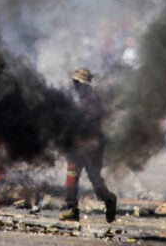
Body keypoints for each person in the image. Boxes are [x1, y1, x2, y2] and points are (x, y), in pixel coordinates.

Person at [59, 68, 117, 223]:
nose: (75, 85)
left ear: (83, 83)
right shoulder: (80, 98)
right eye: (74, 82)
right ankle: (72, 209)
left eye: (77, 82)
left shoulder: (91, 99)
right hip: (77, 145)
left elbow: (88, 120)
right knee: (71, 177)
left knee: (95, 179)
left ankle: (109, 200)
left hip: (91, 146)